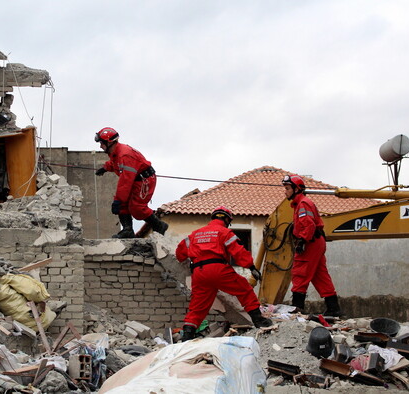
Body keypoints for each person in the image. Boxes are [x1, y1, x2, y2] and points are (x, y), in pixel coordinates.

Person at [175, 206, 272, 340]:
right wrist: (251, 267)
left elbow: (180, 254)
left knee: (197, 306)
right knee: (244, 288)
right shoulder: (224, 232)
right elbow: (238, 251)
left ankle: (187, 335)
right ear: (227, 219)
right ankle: (259, 321)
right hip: (218, 269)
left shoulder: (195, 234)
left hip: (199, 272)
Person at [281, 174, 342, 317]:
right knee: (320, 275)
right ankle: (334, 308)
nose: (285, 191)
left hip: (310, 242)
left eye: (288, 188)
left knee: (300, 272)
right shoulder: (302, 203)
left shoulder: (302, 204)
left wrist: (302, 241)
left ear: (296, 189)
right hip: (316, 241)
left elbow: (308, 224)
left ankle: (297, 308)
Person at [94, 127, 168, 238]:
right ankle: (127, 230)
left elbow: (125, 182)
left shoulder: (125, 154)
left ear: (109, 142)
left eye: (101, 143)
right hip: (135, 179)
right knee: (122, 203)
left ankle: (159, 225)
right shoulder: (116, 152)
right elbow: (115, 163)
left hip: (145, 180)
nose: (100, 146)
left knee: (136, 208)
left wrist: (117, 201)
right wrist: (105, 168)